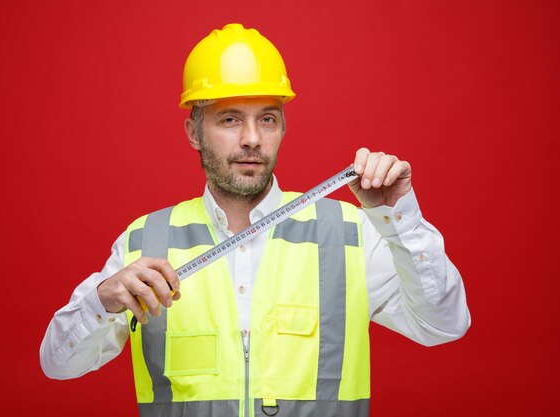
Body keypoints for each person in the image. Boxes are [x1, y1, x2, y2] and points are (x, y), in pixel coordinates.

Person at [40, 23, 470, 417]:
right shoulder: (145, 241)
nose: (251, 138)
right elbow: (58, 364)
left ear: (283, 126)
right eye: (229, 119)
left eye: (267, 119)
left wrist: (397, 214)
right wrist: (103, 299)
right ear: (194, 132)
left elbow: (443, 324)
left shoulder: (351, 232)